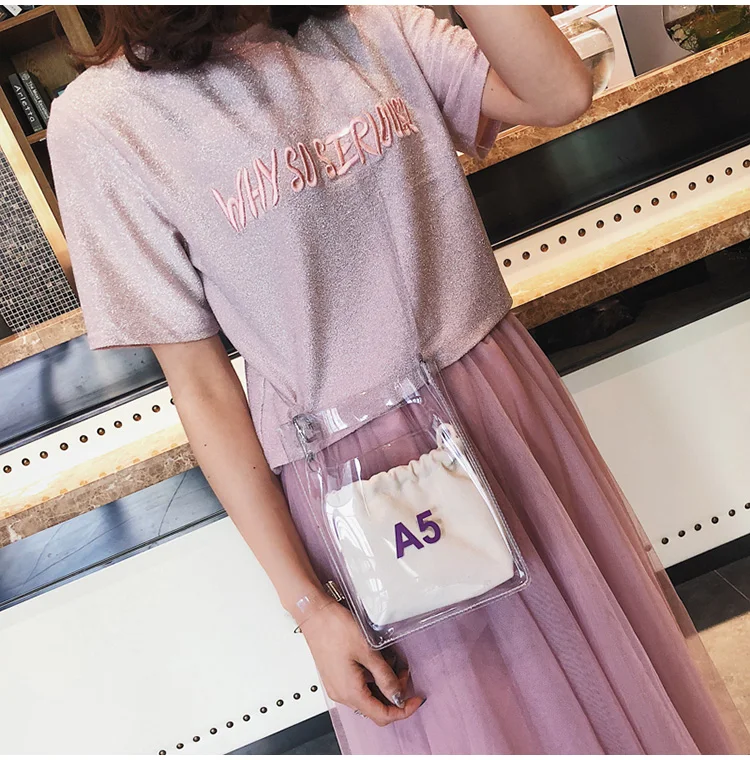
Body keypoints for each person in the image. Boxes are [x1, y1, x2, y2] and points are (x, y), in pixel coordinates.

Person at [48, 5, 747, 754]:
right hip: (359, 479)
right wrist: (308, 607)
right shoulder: (104, 120)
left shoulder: (367, 23)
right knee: (469, 718)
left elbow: (557, 94)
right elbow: (201, 386)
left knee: (607, 674)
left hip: (498, 406)